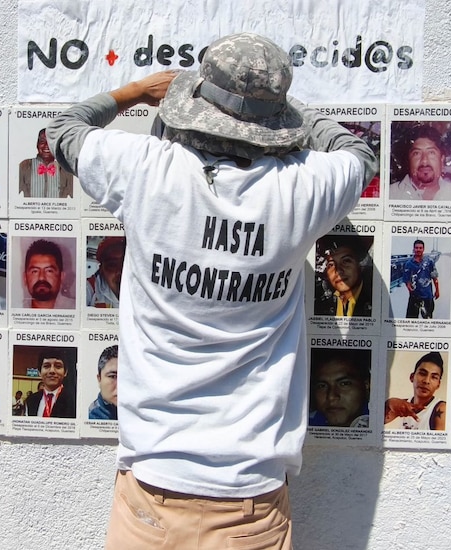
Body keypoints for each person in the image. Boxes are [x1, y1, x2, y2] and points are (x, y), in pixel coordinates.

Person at [49, 32, 373, 546]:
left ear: (196, 105)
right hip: (253, 498)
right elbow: (358, 153)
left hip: (152, 491)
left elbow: (64, 129)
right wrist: (285, 111)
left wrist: (134, 91)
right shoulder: (302, 187)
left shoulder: (145, 169)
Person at [389, 124, 451, 201]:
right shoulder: (390, 194)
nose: (424, 161)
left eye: (431, 153)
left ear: (441, 159)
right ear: (408, 160)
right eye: (417, 153)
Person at [308, 348, 371, 428]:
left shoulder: (383, 421)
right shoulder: (304, 425)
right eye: (322, 386)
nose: (331, 396)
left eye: (344, 384)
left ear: (366, 384)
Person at [384, 352, 447, 430]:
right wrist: (387, 405)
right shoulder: (401, 407)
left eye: (434, 377)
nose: (426, 381)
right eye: (422, 373)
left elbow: (441, 441)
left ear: (438, 384)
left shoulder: (441, 408)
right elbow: (371, 422)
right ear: (412, 377)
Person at [314, 235, 373, 317]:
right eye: (331, 265)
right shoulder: (321, 305)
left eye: (346, 261)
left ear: (360, 265)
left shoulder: (375, 301)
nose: (338, 271)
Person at [18, 129, 72, 198]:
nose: (46, 145)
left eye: (50, 142)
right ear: (37, 144)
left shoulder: (66, 168)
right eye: (42, 141)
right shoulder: (24, 166)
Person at [22, 239, 73, 309]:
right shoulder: (15, 308)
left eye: (49, 271)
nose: (41, 277)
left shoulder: (74, 308)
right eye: (35, 271)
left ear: (61, 277)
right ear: (25, 278)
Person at [24, 348, 75, 418]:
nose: (52, 371)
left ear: (65, 372)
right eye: (46, 366)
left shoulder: (73, 401)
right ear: (39, 372)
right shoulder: (31, 400)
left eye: (58, 366)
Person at [403, 239, 439, 318]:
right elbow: (406, 279)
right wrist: (409, 287)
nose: (418, 250)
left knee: (427, 319)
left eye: (420, 248)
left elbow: (434, 277)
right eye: (416, 248)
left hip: (427, 296)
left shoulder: (430, 262)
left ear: (423, 249)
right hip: (414, 297)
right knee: (411, 320)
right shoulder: (408, 264)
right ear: (413, 249)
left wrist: (437, 290)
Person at [86, 237, 125, 308]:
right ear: (101, 270)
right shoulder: (91, 287)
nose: (120, 272)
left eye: (125, 264)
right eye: (112, 265)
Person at [88, 345, 119, 420]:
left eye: (126, 377)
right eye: (113, 376)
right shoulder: (91, 416)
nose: (120, 385)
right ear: (99, 379)